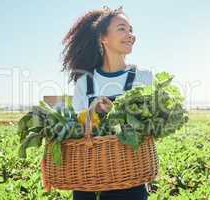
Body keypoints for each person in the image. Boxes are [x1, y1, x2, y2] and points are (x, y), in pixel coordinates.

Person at [61, 6, 153, 200]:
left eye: (131, 30)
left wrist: (119, 113)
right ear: (103, 38)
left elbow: (151, 125)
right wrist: (93, 112)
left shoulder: (144, 77)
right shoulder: (85, 81)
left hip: (130, 178)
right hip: (87, 179)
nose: (130, 35)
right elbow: (76, 130)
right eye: (122, 29)